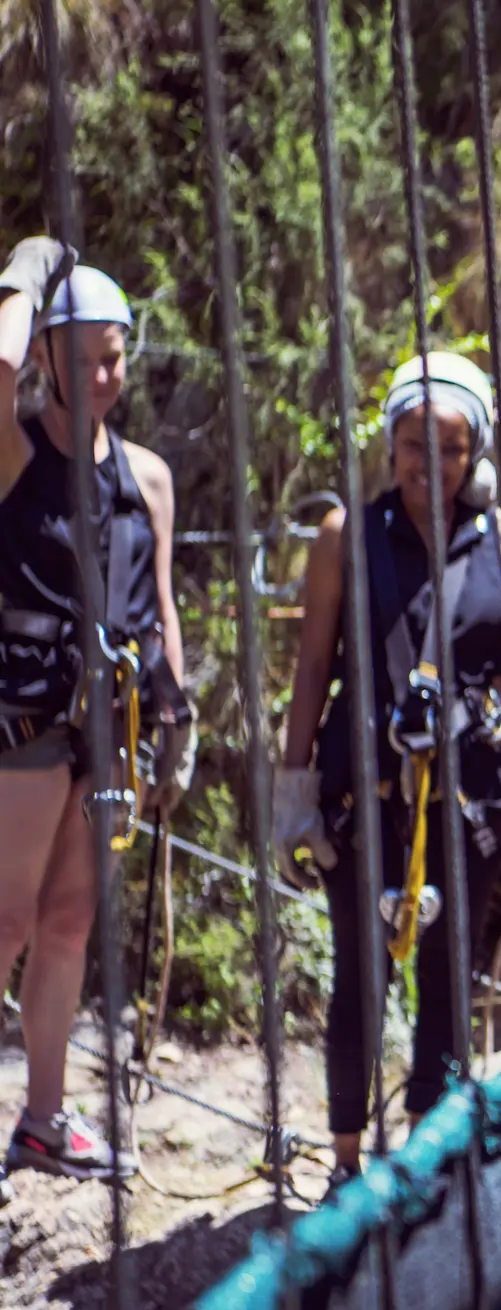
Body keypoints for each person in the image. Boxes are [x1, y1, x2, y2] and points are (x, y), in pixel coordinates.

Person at [274, 351, 501, 1186]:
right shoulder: (346, 538)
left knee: (448, 977)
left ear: (479, 455)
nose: (427, 465)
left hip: (470, 791)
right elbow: (312, 664)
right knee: (359, 975)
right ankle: (346, 1165)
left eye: (450, 448)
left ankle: (428, 1167)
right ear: (388, 445)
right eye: (409, 444)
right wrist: (294, 791)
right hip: (364, 788)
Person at [0, 238, 192, 1187]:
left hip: (105, 728)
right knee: (2, 920)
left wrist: (176, 721)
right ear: (46, 360)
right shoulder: (13, 446)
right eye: (83, 358)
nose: (105, 376)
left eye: (115, 356)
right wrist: (26, 274)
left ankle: (43, 1119)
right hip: (20, 719)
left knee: (68, 920)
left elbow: (160, 605)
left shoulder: (147, 475)